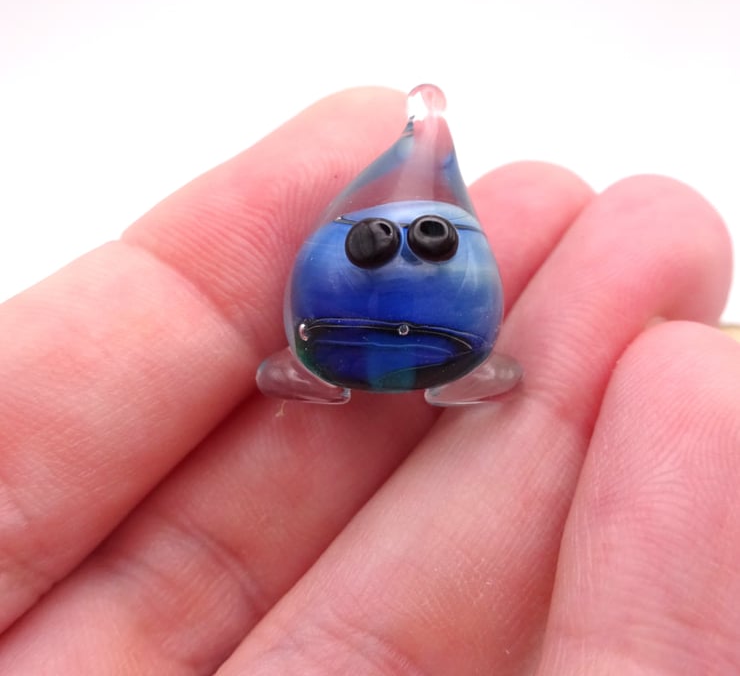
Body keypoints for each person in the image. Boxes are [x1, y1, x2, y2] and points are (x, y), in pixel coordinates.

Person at [0, 88, 737, 675]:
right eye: (383, 240)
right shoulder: (358, 251)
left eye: (430, 240)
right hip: (358, 356)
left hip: (401, 357)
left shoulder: (435, 257)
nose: (403, 253)